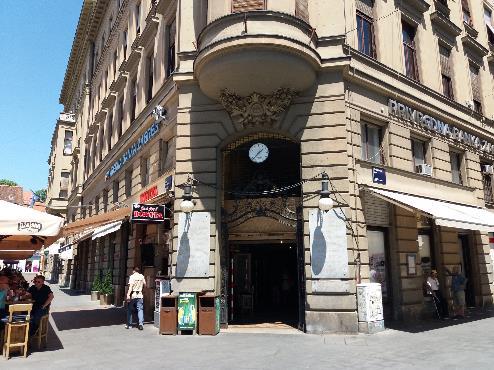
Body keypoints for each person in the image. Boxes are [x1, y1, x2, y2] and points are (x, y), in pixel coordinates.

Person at [126, 266, 146, 330]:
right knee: (140, 309)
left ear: (133, 270)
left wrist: (128, 295)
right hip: (140, 294)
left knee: (129, 309)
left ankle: (129, 324)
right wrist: (142, 290)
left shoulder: (132, 277)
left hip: (133, 295)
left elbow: (130, 287)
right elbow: (145, 284)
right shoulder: (142, 276)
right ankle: (141, 324)